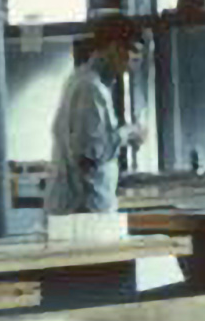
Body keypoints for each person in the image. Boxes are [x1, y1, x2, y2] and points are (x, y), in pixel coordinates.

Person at [47, 15, 146, 214]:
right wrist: (128, 133)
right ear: (113, 47)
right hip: (83, 211)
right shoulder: (89, 88)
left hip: (82, 208)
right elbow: (89, 155)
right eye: (133, 52)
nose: (133, 63)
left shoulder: (82, 81)